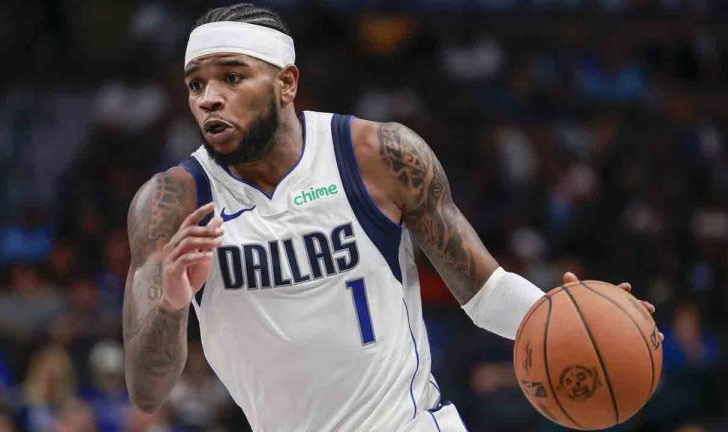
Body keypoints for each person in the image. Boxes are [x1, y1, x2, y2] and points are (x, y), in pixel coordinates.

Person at [122, 3, 659, 431]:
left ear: (286, 83)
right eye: (196, 85)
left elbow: (484, 294)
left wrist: (571, 319)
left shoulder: (377, 156)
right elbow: (147, 391)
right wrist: (171, 304)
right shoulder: (169, 204)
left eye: (233, 77)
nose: (210, 99)